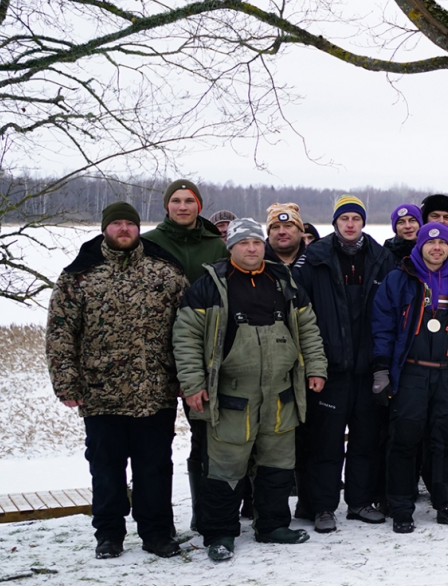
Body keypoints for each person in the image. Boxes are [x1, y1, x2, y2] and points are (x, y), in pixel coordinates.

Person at [173, 219, 328, 561]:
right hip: (231, 395)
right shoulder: (209, 286)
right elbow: (186, 339)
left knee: (278, 463)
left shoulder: (283, 281)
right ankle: (220, 533)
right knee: (225, 467)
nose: (252, 248)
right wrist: (193, 384)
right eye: (244, 243)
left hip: (280, 392)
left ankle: (272, 526)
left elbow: (308, 328)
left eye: (257, 242)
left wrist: (316, 368)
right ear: (231, 247)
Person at [47, 202, 187, 559]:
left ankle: (156, 532)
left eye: (130, 223)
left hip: (155, 391)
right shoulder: (79, 275)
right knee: (106, 467)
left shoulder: (166, 272)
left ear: (139, 228)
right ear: (105, 228)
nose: (123, 229)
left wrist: (188, 377)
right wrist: (66, 382)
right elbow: (61, 332)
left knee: (155, 466)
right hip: (100, 392)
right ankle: (109, 534)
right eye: (117, 224)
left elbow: (189, 330)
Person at [371, 221, 448, 533]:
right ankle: (402, 507)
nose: (437, 248)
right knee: (404, 440)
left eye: (443, 243)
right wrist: (381, 370)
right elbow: (383, 328)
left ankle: (446, 503)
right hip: (411, 372)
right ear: (419, 246)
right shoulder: (399, 280)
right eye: (430, 243)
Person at [293, 194, 395, 529]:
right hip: (330, 370)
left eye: (356, 219)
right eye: (344, 219)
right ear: (335, 222)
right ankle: (323, 507)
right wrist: (312, 364)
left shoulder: (381, 258)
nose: (350, 225)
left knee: (366, 440)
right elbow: (300, 314)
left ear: (363, 222)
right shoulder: (316, 258)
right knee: (326, 443)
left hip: (368, 369)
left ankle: (360, 502)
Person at [142, 179, 228, 533]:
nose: (182, 207)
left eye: (188, 201)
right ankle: (157, 523)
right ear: (166, 206)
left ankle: (205, 513)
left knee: (206, 438)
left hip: (207, 355)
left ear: (199, 206)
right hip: (155, 356)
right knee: (154, 446)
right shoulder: (149, 243)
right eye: (175, 201)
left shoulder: (215, 245)